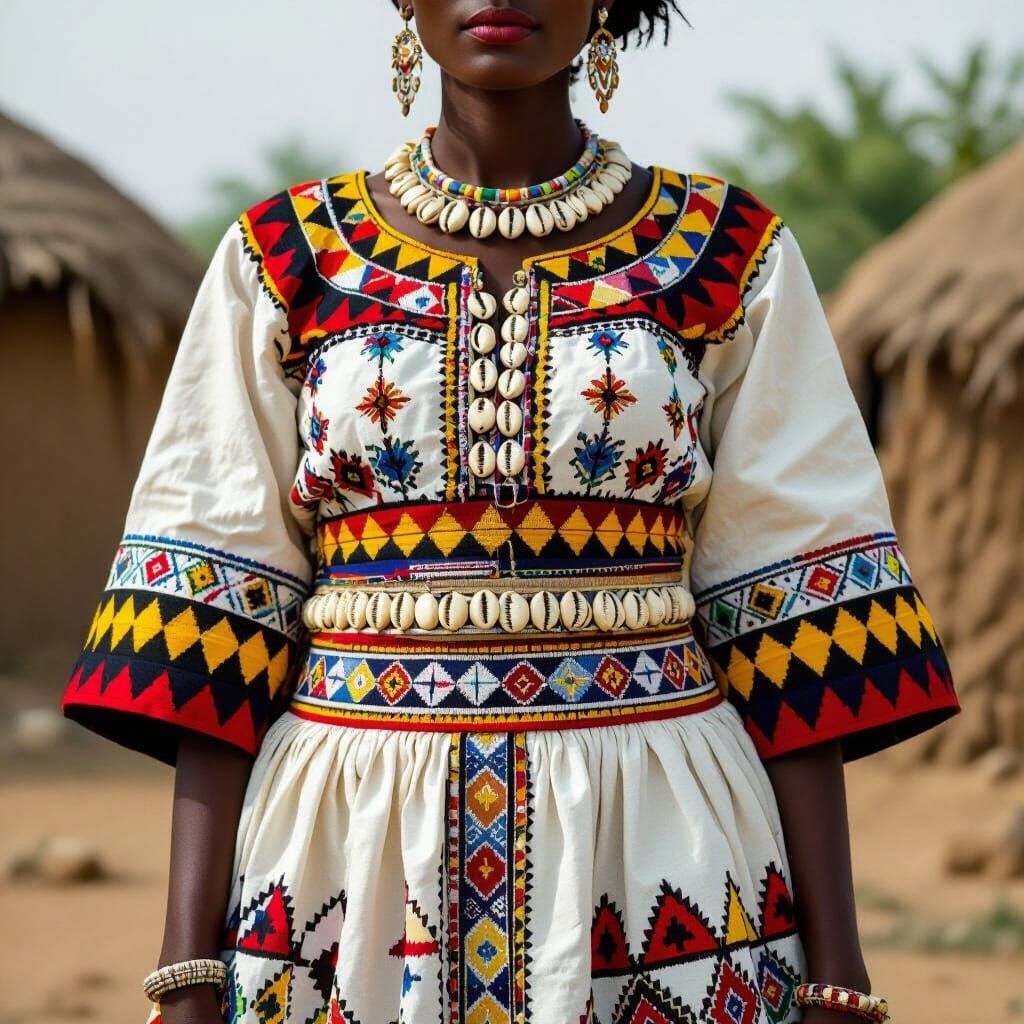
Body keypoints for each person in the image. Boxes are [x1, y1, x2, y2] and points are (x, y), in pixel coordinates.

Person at [61, 3, 961, 1022]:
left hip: (663, 848)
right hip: (344, 858)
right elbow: (216, 610)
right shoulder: (284, 256)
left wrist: (838, 972)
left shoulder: (727, 251)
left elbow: (796, 606)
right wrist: (187, 968)